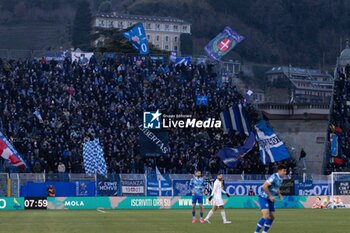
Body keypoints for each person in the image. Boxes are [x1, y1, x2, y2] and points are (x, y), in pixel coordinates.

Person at [254, 164, 287, 233]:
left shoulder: (281, 179)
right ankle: (256, 232)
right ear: (279, 171)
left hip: (270, 199)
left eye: (285, 171)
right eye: (284, 171)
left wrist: (279, 195)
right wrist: (270, 196)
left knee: (272, 217)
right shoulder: (274, 177)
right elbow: (264, 186)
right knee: (265, 215)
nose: (285, 172)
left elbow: (276, 188)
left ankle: (264, 232)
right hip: (264, 197)